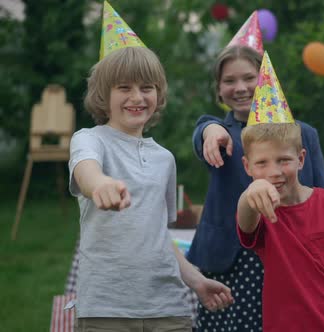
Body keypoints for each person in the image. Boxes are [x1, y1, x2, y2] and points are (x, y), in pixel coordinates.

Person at [68, 2, 233, 331]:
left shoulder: (164, 158)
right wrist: (100, 184)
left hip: (168, 308)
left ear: (159, 94)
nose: (137, 97)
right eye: (124, 88)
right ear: (104, 93)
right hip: (106, 308)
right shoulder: (90, 139)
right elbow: (86, 170)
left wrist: (195, 279)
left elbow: (158, 236)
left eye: (147, 88)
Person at [186, 17, 324, 332]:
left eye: (249, 77)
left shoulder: (303, 134)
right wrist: (209, 131)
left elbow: (323, 197)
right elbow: (201, 135)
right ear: (218, 89)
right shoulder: (217, 132)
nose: (240, 88)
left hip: (288, 257)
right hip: (226, 261)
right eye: (229, 81)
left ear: (264, 78)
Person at [236, 51, 324, 331]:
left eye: (284, 160)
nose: (274, 171)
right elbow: (245, 218)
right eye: (262, 163)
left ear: (301, 159)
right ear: (247, 166)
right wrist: (251, 193)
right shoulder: (262, 210)